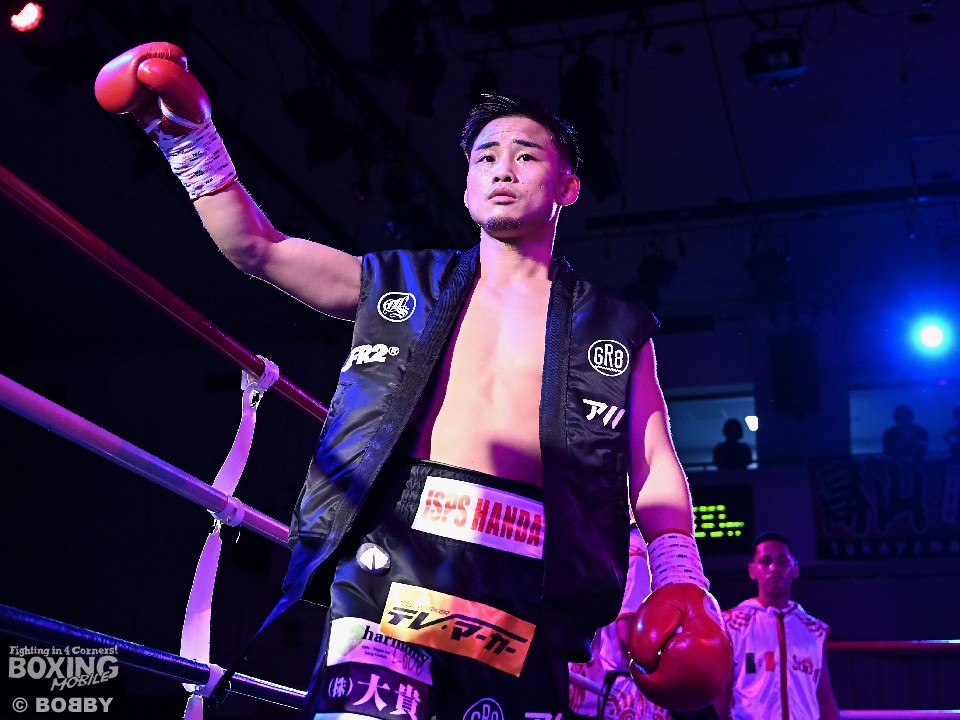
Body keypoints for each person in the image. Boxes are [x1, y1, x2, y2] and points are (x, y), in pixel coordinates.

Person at [95, 42, 731, 719]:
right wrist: (188, 139)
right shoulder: (400, 284)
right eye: (485, 157)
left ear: (567, 187)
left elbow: (653, 462)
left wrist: (681, 578)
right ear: (467, 185)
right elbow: (257, 247)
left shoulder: (616, 326)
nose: (502, 169)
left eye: (526, 155)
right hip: (393, 549)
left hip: (530, 571)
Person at [713, 533, 841, 720]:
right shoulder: (730, 625)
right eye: (765, 561)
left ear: (795, 568)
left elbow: (825, 699)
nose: (773, 567)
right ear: (752, 570)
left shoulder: (814, 630)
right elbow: (720, 693)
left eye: (782, 561)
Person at [568, 526, 670, 720]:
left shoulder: (601, 543)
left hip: (589, 687)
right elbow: (627, 634)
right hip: (624, 693)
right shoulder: (637, 553)